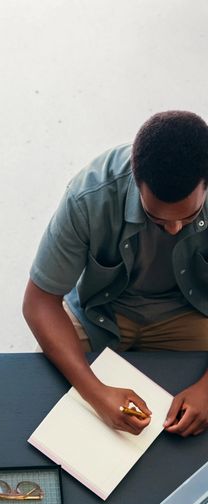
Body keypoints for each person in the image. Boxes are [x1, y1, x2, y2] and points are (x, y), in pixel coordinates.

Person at [23, 110, 208, 437]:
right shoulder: (90, 194)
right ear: (135, 182)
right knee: (44, 397)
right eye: (157, 219)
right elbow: (39, 302)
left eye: (189, 216)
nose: (175, 229)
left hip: (189, 313)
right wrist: (95, 392)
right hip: (101, 313)